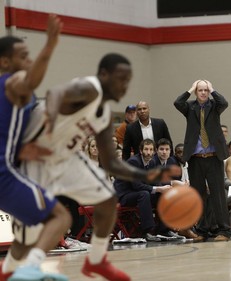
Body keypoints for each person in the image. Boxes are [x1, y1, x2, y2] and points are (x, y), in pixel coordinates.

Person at [18, 54, 180, 281]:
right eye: (120, 79)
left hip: (65, 159)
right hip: (35, 156)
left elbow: (113, 163)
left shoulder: (102, 113)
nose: (124, 86)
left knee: (106, 198)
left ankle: (95, 261)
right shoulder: (86, 88)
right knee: (45, 218)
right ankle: (27, 266)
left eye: (128, 81)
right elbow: (53, 95)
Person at [0, 15, 72, 281]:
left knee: (28, 231)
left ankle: (13, 271)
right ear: (5, 62)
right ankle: (29, 269)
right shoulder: (12, 82)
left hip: (9, 167)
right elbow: (31, 81)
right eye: (23, 56)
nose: (29, 61)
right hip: (3, 175)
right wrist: (51, 44)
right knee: (60, 217)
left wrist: (20, 149)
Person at [174, 79, 231, 242]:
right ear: (196, 92)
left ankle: (224, 231)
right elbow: (177, 102)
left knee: (218, 195)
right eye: (200, 90)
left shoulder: (215, 106)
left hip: (214, 158)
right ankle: (202, 230)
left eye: (206, 90)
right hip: (195, 158)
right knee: (198, 196)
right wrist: (190, 89)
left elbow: (224, 102)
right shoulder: (189, 107)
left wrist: (213, 89)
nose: (204, 93)